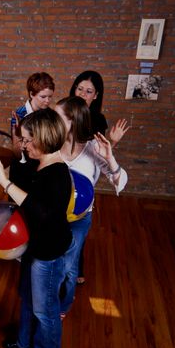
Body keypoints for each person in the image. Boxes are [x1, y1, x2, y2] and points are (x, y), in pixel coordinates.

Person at [0, 108, 73, 348]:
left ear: (43, 138)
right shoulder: (41, 165)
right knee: (27, 297)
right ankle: (25, 341)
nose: (23, 145)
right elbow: (23, 175)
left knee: (45, 310)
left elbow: (42, 212)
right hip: (33, 248)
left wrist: (4, 184)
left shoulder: (58, 174)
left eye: (27, 140)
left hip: (47, 253)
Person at [55, 96, 128, 315]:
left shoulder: (94, 148)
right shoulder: (51, 145)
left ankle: (64, 305)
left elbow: (120, 182)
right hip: (53, 215)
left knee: (69, 266)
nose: (52, 120)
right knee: (52, 262)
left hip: (79, 219)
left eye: (57, 116)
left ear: (72, 121)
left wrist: (110, 156)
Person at [69, 71, 129, 283]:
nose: (82, 94)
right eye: (79, 88)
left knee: (76, 241)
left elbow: (98, 155)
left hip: (82, 194)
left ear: (95, 96)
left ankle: (75, 272)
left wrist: (111, 145)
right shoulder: (62, 114)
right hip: (61, 192)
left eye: (88, 91)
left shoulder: (96, 121)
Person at [9, 72, 55, 189]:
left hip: (42, 166)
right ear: (31, 94)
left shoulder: (50, 114)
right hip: (23, 168)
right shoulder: (19, 114)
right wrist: (20, 133)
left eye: (50, 97)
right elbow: (17, 152)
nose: (47, 101)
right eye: (43, 97)